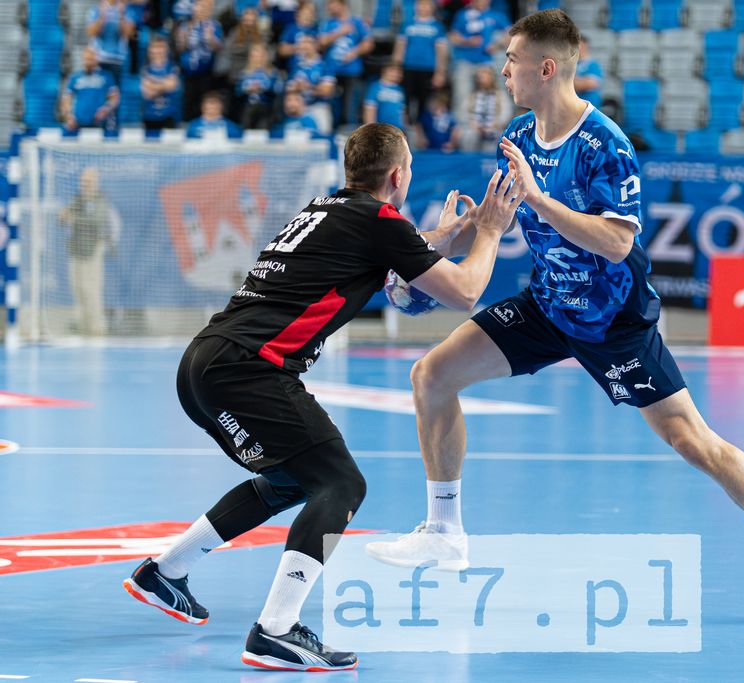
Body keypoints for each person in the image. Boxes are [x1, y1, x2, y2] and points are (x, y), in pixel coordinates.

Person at [364, 9, 744, 629]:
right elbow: (497, 218)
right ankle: (444, 532)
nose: (503, 70)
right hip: (548, 304)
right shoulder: (517, 133)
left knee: (692, 440)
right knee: (432, 375)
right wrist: (444, 238)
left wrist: (541, 200)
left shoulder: (605, 144)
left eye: (512, 59)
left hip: (614, 319)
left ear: (546, 67)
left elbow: (618, 243)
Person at [121, 122, 524, 671]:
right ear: (398, 176)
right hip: (250, 370)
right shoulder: (379, 222)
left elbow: (398, 252)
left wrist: (447, 238)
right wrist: (491, 231)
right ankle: (275, 631)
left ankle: (165, 572)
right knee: (341, 484)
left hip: (206, 363)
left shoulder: (326, 210)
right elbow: (465, 292)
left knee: (291, 480)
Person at [56, 167, 120, 336]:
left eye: (89, 182)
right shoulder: (77, 199)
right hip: (76, 249)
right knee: (77, 289)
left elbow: (96, 222)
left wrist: (73, 219)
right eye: (83, 181)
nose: (85, 185)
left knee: (91, 289)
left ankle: (97, 328)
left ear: (96, 183)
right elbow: (65, 217)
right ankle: (82, 326)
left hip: (93, 250)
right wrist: (62, 216)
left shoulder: (101, 201)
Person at [392, 0, 449, 124]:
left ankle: (421, 129)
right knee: (405, 100)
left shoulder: (438, 27)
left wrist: (440, 72)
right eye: (420, 4)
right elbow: (400, 47)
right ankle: (404, 127)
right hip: (408, 67)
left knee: (424, 102)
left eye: (427, 5)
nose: (423, 7)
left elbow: (441, 52)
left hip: (428, 69)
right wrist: (396, 67)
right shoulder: (407, 24)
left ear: (432, 7)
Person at [319, 0, 374, 127]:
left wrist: (354, 52)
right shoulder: (328, 23)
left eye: (332, 4)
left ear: (342, 4)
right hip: (331, 73)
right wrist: (340, 32)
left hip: (351, 71)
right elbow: (321, 42)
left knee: (350, 107)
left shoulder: (357, 22)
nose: (329, 7)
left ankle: (350, 133)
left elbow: (369, 43)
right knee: (333, 107)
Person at [175, 0, 224, 121]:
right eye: (199, 7)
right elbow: (180, 48)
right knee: (188, 101)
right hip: (188, 72)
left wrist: (210, 38)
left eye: (204, 7)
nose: (201, 10)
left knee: (203, 101)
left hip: (206, 73)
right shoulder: (185, 26)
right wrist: (183, 39)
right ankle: (188, 125)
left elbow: (218, 47)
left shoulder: (214, 25)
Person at [61, 46, 121, 134]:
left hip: (100, 123)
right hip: (78, 123)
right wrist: (68, 115)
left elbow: (115, 97)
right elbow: (66, 98)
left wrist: (106, 109)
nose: (89, 61)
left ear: (97, 59)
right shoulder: (75, 77)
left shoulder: (106, 76)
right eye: (87, 58)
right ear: (83, 59)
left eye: (91, 57)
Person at [86, 0, 137, 83]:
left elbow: (129, 34)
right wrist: (102, 16)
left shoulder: (126, 10)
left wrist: (122, 15)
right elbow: (91, 33)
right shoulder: (96, 9)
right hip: (100, 59)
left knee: (117, 89)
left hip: (119, 60)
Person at [140, 35, 182, 131]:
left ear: (167, 49)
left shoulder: (173, 67)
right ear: (150, 50)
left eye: (161, 47)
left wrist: (153, 82)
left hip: (169, 116)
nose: (158, 50)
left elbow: (172, 85)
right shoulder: (145, 69)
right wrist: (164, 83)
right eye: (155, 47)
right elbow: (148, 93)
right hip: (150, 116)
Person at [460, 64, 506, 150]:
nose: (483, 77)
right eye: (481, 74)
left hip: (494, 128)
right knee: (468, 135)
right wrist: (472, 124)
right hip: (473, 129)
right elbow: (463, 113)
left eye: (486, 73)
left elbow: (506, 113)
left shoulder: (501, 95)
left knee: (498, 137)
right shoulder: (471, 95)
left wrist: (495, 124)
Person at [363, 62, 407, 129]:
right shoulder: (375, 87)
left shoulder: (400, 89)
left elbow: (402, 111)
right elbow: (369, 108)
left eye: (399, 72)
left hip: (398, 129)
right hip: (381, 128)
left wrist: (405, 127)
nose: (396, 74)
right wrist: (371, 129)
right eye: (392, 71)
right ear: (384, 72)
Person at [573, 34, 603, 109]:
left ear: (585, 46)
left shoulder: (593, 64)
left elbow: (590, 84)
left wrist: (569, 82)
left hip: (589, 108)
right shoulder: (572, 65)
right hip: (575, 107)